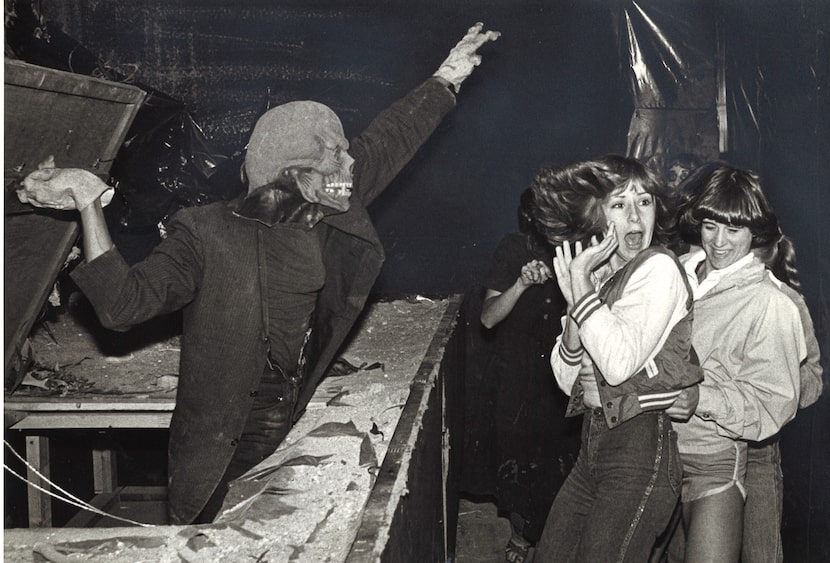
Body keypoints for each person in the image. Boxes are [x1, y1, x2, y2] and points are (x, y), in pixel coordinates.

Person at [16, 22, 500, 525]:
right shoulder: (207, 234)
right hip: (223, 441)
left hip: (287, 417)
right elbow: (121, 305)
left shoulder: (329, 204)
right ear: (296, 171)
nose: (352, 160)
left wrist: (448, 77)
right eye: (337, 153)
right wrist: (88, 203)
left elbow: (390, 138)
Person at [531, 155, 702, 562]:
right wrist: (579, 297)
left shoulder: (659, 268)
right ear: (599, 215)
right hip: (592, 451)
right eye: (619, 205)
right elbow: (564, 375)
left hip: (639, 454)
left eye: (644, 203)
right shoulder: (601, 275)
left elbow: (618, 363)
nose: (635, 217)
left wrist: (580, 290)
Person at [661, 163, 820, 563]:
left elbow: (796, 388)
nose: (718, 241)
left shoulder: (776, 302)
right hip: (662, 450)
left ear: (756, 234)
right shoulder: (674, 273)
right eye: (711, 225)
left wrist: (714, 396)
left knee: (759, 553)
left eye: (733, 230)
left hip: (749, 450)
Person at [478, 188, 579, 562]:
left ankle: (555, 539)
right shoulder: (512, 249)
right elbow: (488, 318)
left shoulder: (578, 252)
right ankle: (521, 536)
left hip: (564, 376)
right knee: (517, 460)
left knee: (563, 462)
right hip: (518, 378)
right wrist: (520, 284)